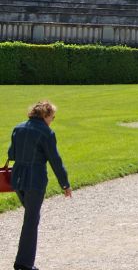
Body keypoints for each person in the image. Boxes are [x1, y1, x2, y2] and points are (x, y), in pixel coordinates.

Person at [7, 100, 72, 270]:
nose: (52, 120)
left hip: (17, 179)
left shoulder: (18, 128)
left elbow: (11, 153)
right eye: (52, 117)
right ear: (45, 115)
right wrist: (65, 183)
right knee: (31, 220)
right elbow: (55, 160)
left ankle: (23, 261)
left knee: (30, 218)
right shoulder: (46, 133)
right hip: (35, 180)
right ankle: (24, 263)